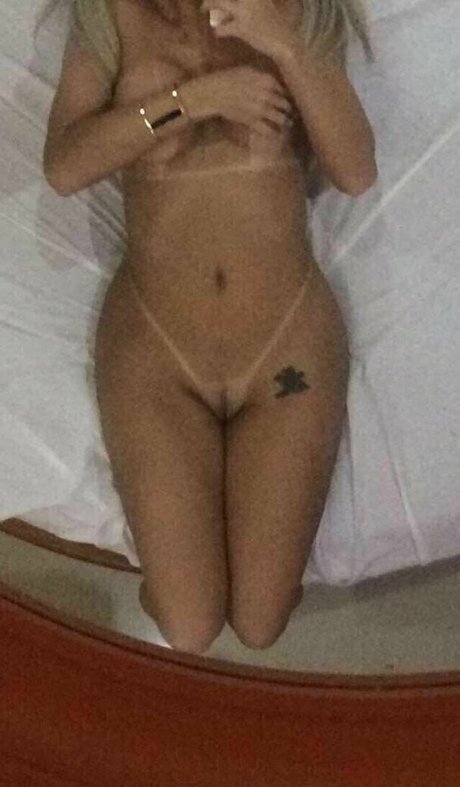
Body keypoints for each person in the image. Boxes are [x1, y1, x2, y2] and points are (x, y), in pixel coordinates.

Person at [42, 0, 377, 655]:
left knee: (260, 622)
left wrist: (284, 46)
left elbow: (356, 170)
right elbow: (65, 167)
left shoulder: (292, 12)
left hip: (285, 349)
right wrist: (190, 102)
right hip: (157, 352)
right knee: (189, 627)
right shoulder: (113, 15)